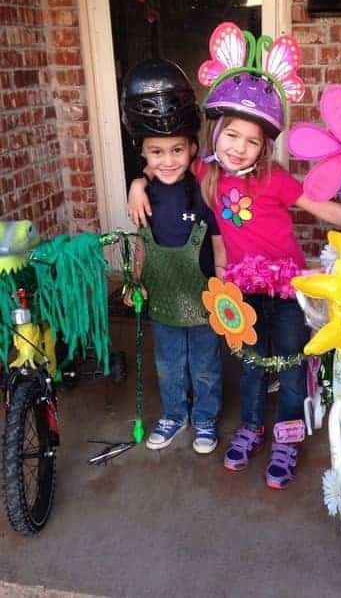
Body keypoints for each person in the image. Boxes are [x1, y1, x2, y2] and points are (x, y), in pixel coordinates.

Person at [128, 23, 341, 488]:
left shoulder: (275, 179)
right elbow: (163, 167)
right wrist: (137, 182)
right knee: (250, 362)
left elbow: (322, 207)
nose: (239, 147)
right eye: (232, 135)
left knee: (288, 361)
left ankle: (286, 436)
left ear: (264, 147)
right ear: (216, 132)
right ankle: (251, 427)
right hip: (240, 289)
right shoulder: (205, 171)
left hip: (285, 291)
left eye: (252, 140)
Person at [122, 58, 226, 455]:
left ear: (193, 149)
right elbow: (141, 243)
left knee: (205, 365)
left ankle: (204, 419)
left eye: (177, 150)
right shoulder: (143, 192)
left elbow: (218, 240)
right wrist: (133, 282)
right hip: (163, 300)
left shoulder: (204, 189)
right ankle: (173, 414)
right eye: (157, 152)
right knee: (167, 363)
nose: (167, 160)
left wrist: (223, 282)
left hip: (203, 298)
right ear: (144, 154)